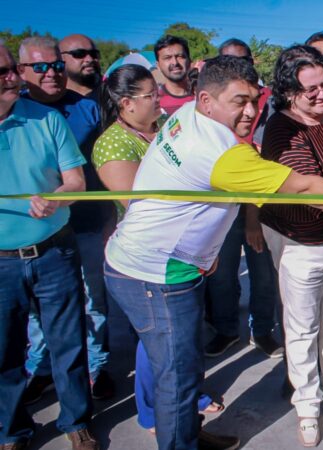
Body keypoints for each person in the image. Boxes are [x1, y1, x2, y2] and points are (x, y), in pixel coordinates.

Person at [102, 55, 323, 450]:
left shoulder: (186, 122)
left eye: (254, 99)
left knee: (183, 368)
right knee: (176, 378)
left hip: (161, 263)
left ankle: (187, 435)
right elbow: (305, 190)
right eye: (238, 102)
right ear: (206, 100)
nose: (251, 112)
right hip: (155, 275)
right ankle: (180, 442)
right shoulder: (221, 151)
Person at [92, 63, 236, 450]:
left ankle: (185, 430)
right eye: (150, 94)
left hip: (181, 258)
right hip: (152, 264)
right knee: (170, 368)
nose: (160, 98)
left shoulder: (168, 126)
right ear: (125, 103)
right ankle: (165, 425)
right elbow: (142, 203)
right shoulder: (112, 144)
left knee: (182, 363)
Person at [258, 45, 323, 447]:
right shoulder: (280, 131)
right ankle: (307, 405)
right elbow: (312, 191)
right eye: (311, 91)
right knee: (302, 329)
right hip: (301, 243)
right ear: (288, 93)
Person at [0, 42, 98, 450]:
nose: (11, 78)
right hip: (2, 265)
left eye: (9, 69)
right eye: (1, 73)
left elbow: (76, 181)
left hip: (54, 251)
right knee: (4, 353)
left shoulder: (45, 119)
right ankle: (12, 430)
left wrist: (58, 196)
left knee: (68, 344)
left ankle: (76, 421)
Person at [16, 35, 115, 402]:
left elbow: (105, 168)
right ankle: (41, 368)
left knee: (92, 302)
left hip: (87, 223)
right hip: (36, 231)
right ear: (20, 71)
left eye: (56, 65)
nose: (51, 74)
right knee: (39, 309)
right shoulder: (16, 112)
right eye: (40, 67)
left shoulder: (88, 109)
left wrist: (110, 218)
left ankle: (96, 366)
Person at [203, 38, 283, 359]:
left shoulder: (269, 103)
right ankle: (226, 330)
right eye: (227, 62)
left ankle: (262, 331)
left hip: (259, 207)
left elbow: (261, 165)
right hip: (219, 206)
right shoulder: (210, 107)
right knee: (221, 275)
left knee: (263, 274)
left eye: (243, 61)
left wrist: (252, 219)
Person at [154, 35, 193, 116]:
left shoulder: (204, 95)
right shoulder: (154, 102)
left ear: (189, 61)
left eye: (180, 56)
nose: (175, 63)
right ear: (158, 66)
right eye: (167, 58)